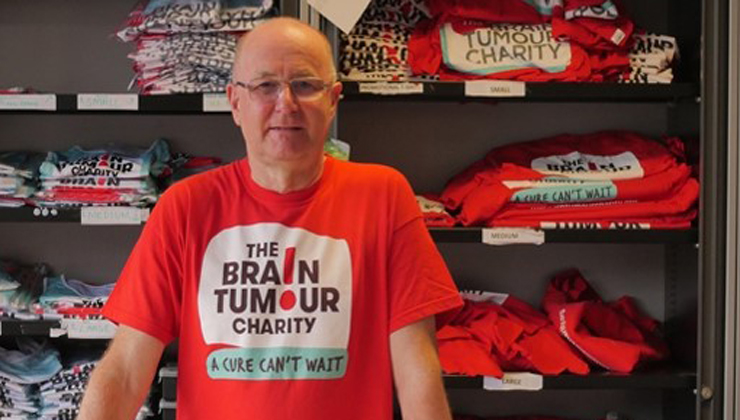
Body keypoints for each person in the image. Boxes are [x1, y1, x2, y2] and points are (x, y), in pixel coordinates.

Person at [78, 17, 462, 420]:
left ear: (332, 100)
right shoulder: (185, 207)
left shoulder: (383, 196)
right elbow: (124, 371)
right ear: (235, 102)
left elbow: (417, 366)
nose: (286, 103)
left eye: (305, 85)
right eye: (265, 86)